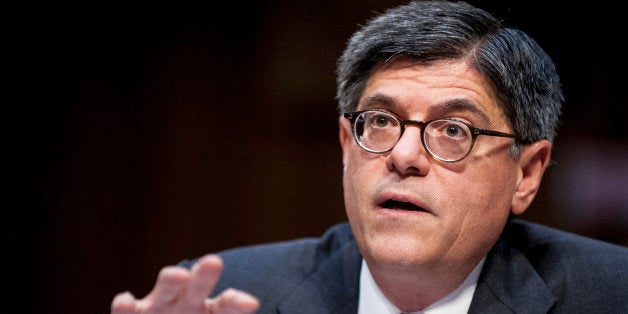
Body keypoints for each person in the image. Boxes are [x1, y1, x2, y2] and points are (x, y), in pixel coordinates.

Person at [111, 1, 628, 313]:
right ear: (345, 146)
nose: (403, 156)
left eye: (453, 130)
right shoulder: (228, 297)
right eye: (379, 121)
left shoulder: (611, 296)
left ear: (527, 173)